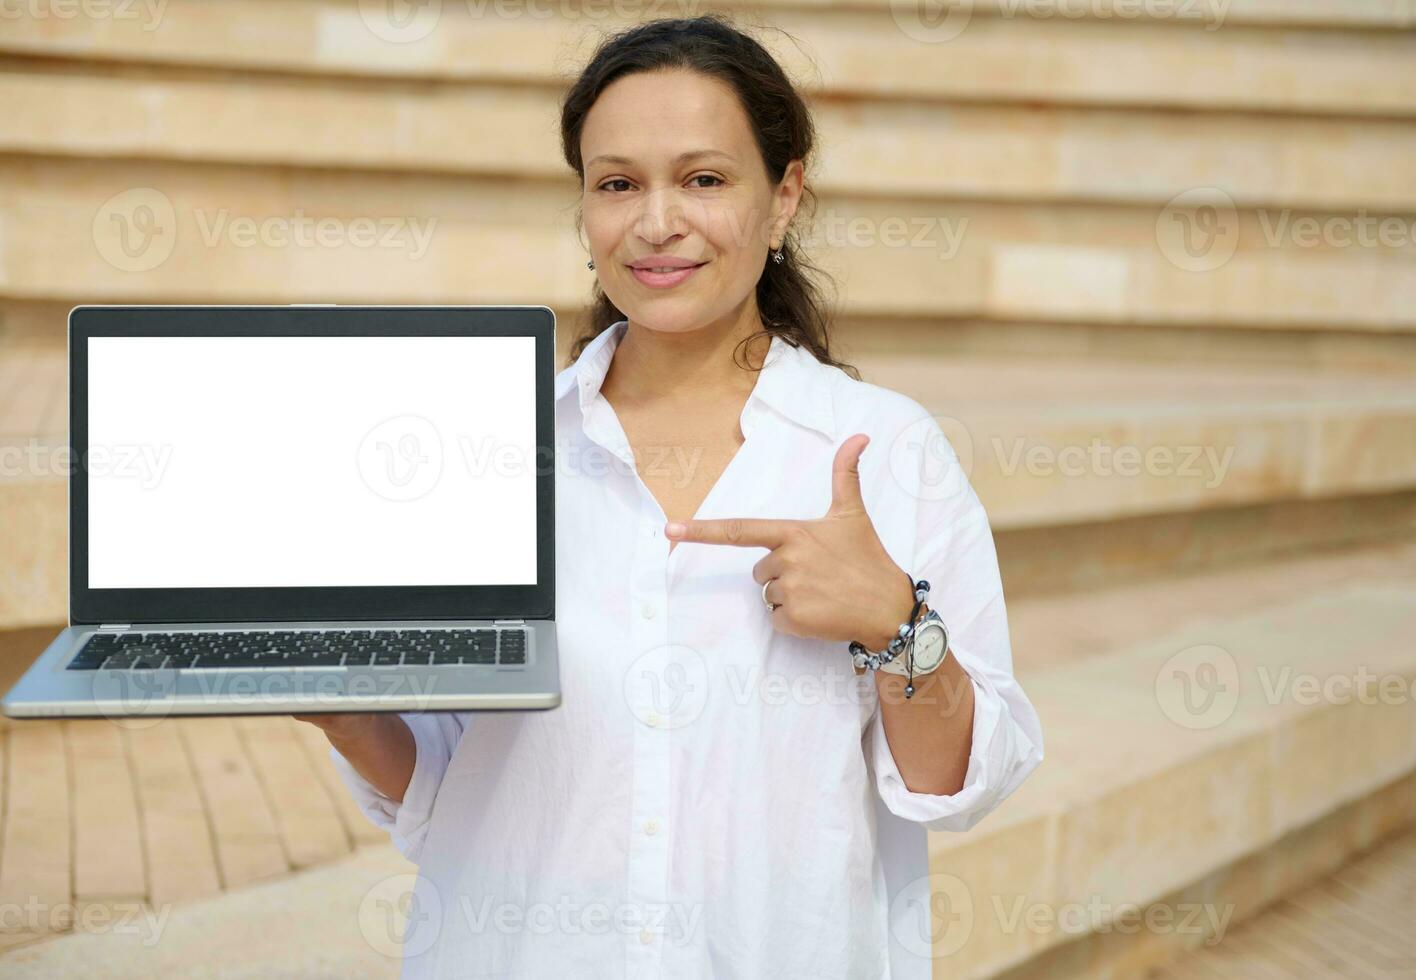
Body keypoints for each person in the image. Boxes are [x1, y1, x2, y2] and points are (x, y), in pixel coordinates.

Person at [297, 14, 1043, 978]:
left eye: (702, 178)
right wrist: (344, 710)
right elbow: (447, 785)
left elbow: (958, 783)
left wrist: (898, 626)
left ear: (782, 197)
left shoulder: (885, 449)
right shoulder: (494, 450)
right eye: (616, 184)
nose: (655, 223)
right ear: (584, 209)